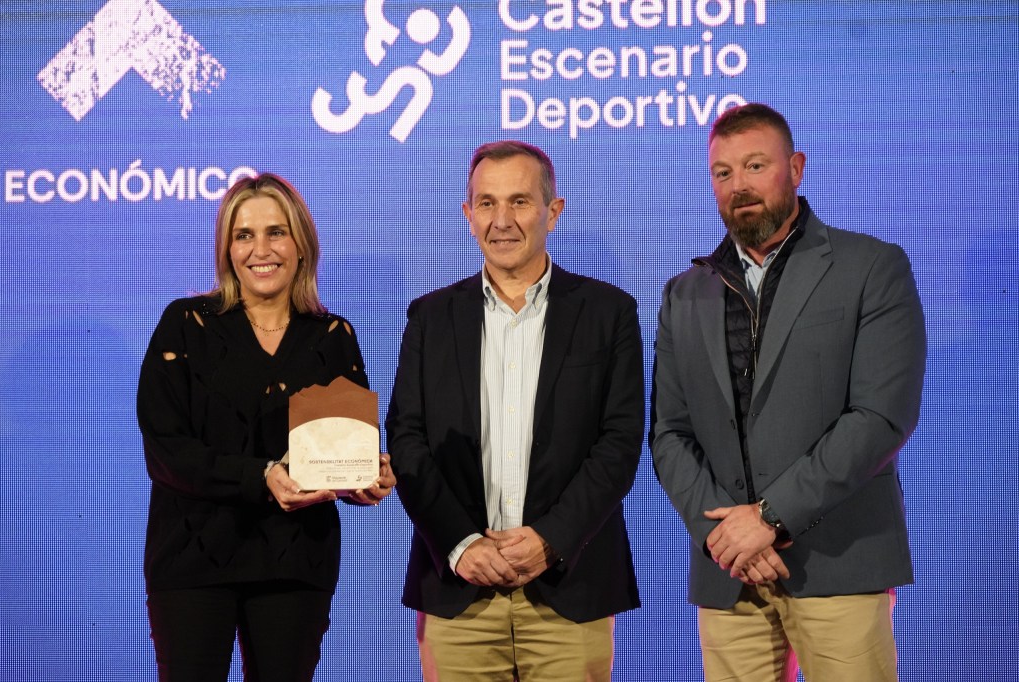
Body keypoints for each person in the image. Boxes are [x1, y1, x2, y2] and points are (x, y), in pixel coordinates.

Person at [651, 103, 926, 681]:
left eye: (755, 166)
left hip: (839, 565)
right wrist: (723, 536)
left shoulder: (870, 266)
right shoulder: (684, 293)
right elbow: (670, 433)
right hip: (730, 576)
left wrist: (769, 518)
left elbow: (880, 416)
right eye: (723, 172)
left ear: (796, 168)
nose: (739, 185)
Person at [386, 140, 643, 681]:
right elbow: (407, 440)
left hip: (569, 589)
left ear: (553, 211)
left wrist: (551, 539)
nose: (501, 220)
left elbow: (619, 443)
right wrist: (461, 545)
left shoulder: (608, 312)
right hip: (458, 592)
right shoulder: (430, 317)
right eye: (486, 203)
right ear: (468, 214)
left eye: (520, 202)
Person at [136, 172, 395, 681]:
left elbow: (341, 451)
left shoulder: (333, 335)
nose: (261, 250)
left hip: (294, 562)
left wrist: (367, 478)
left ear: (301, 244)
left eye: (276, 232)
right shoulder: (185, 324)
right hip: (192, 561)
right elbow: (166, 451)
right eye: (244, 235)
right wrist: (261, 476)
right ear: (227, 249)